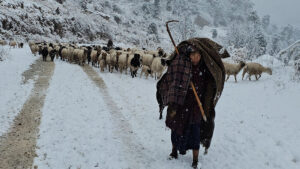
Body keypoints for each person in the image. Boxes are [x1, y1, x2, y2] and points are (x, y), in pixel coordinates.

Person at [156, 38, 229, 168]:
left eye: (197, 55)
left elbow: (209, 87)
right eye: (192, 55)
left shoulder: (205, 70)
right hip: (181, 103)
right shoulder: (183, 66)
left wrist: (206, 103)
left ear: (201, 56)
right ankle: (174, 152)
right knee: (176, 127)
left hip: (196, 105)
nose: (195, 58)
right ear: (189, 55)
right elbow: (173, 77)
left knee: (195, 131)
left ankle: (195, 160)